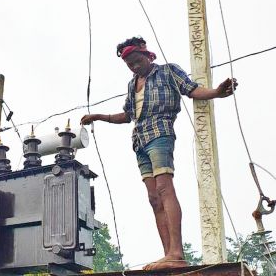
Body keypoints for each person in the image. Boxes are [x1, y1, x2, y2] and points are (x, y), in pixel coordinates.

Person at [81, 37, 237, 270]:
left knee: (165, 188)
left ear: (147, 55)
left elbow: (191, 90)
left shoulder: (167, 71)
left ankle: (177, 252)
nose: (134, 66)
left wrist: (216, 92)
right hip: (139, 141)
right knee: (153, 197)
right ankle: (168, 254)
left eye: (136, 61)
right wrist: (98, 117)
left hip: (160, 134)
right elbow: (127, 115)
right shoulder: (132, 84)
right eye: (129, 64)